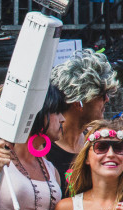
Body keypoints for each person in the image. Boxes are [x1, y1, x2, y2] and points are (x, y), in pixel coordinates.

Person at [48, 49, 119, 187]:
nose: (107, 99)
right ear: (79, 102)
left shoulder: (97, 143)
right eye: (102, 94)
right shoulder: (44, 148)